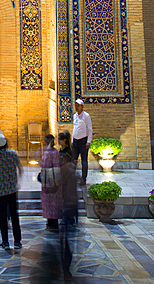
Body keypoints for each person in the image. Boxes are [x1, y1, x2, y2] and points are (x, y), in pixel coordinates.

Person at [0, 130, 22, 250]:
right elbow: (20, 168)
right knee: (14, 215)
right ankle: (17, 241)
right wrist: (16, 181)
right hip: (11, 189)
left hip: (0, 190)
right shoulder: (13, 154)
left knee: (3, 217)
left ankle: (5, 241)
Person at [59, 153, 79, 282]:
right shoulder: (69, 171)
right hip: (70, 207)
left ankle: (65, 267)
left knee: (66, 240)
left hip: (68, 207)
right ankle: (65, 268)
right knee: (67, 240)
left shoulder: (66, 171)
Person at [40, 133, 63, 232]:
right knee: (49, 202)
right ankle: (50, 222)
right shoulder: (52, 152)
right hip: (48, 179)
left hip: (51, 179)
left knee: (53, 203)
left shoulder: (51, 153)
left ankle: (53, 223)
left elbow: (54, 165)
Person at [71, 98, 92, 184]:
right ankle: (72, 178)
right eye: (76, 105)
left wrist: (89, 141)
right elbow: (74, 128)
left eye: (78, 105)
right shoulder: (75, 116)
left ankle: (83, 178)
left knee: (84, 161)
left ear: (82, 106)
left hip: (83, 141)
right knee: (73, 160)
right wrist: (72, 140)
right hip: (76, 141)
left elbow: (89, 129)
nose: (76, 107)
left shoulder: (86, 116)